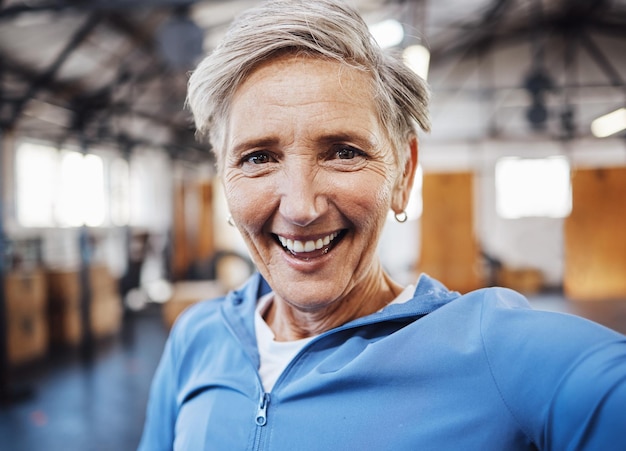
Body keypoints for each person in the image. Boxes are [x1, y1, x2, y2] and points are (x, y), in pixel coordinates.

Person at [138, 0, 626, 449]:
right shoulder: (197, 337)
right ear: (225, 176)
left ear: (404, 173)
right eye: (259, 157)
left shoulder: (494, 354)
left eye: (344, 153)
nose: (301, 207)